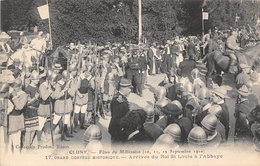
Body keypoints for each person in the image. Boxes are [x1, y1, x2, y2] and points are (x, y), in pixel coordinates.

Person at [52, 70, 77, 141]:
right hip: (60, 103)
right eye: (66, 78)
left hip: (67, 102)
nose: (67, 79)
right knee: (56, 119)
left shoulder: (70, 82)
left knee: (66, 119)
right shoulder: (58, 84)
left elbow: (72, 93)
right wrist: (63, 91)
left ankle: (64, 134)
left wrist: (69, 88)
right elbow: (55, 96)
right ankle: (51, 132)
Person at [108, 78, 132, 146]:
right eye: (129, 88)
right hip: (118, 130)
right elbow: (116, 119)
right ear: (125, 88)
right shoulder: (118, 101)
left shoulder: (121, 97)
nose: (130, 90)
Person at [8, 78, 28, 155]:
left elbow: (20, 107)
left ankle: (17, 156)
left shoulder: (24, 95)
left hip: (16, 118)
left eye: (16, 87)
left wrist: (14, 96)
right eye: (12, 86)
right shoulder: (9, 92)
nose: (14, 88)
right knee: (8, 140)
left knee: (16, 139)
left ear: (20, 87)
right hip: (8, 118)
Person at [23, 70, 41, 149]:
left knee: (34, 129)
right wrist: (35, 98)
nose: (38, 80)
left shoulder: (36, 87)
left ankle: (29, 144)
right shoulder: (28, 89)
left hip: (35, 111)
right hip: (29, 111)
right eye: (36, 79)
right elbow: (27, 102)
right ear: (32, 79)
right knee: (29, 130)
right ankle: (27, 146)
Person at [0, 83, 13, 156]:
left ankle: (4, 152)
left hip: (4, 122)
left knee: (4, 137)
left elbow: (11, 106)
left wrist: (7, 111)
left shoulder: (6, 101)